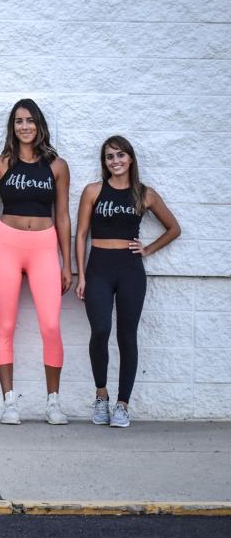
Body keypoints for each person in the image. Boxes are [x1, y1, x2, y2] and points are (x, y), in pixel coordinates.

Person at [0, 99, 72, 425]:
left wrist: (67, 263)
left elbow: (62, 216)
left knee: (50, 324)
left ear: (40, 125)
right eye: (19, 121)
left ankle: (53, 402)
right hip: (5, 245)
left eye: (30, 120)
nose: (25, 126)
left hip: (45, 247)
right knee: (5, 325)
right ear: (12, 127)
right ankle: (9, 402)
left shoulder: (57, 166)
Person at [75, 136, 180, 428]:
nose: (115, 161)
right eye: (109, 157)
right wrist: (80, 275)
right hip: (98, 269)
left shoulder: (144, 194)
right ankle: (101, 396)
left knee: (126, 335)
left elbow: (174, 228)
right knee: (100, 330)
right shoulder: (93, 191)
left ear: (130, 158)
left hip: (130, 270)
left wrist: (147, 249)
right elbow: (81, 234)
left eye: (120, 155)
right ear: (104, 162)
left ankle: (122, 404)